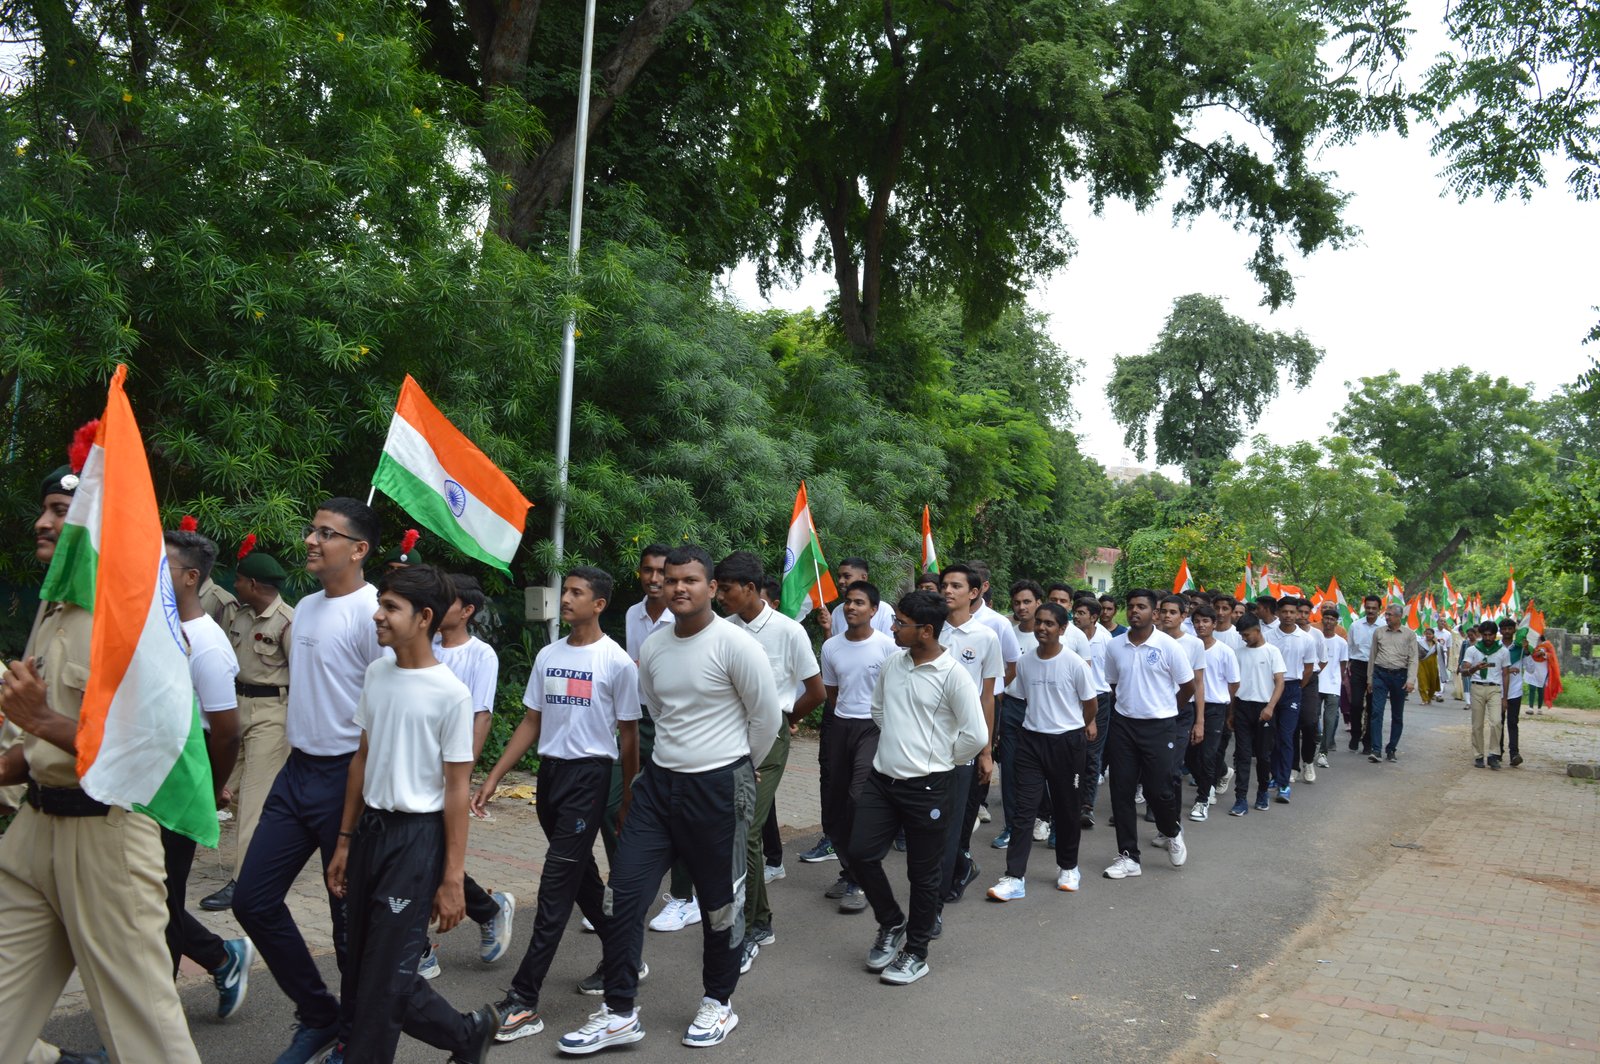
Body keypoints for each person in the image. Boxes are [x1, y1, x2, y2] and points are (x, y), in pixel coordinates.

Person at [0, 462, 203, 1064]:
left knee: (146, 1040)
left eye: (61, 512)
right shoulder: (56, 610)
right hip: (34, 831)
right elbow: (35, 749)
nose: (42, 523)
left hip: (107, 835)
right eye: (46, 509)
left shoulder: (136, 621)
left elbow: (151, 748)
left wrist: (41, 720)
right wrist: (20, 751)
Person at [558, 545, 779, 1054]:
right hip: (658, 787)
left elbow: (765, 718)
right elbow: (657, 708)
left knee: (720, 905)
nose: (678, 587)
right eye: (670, 578)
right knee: (622, 897)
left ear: (712, 588)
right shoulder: (655, 646)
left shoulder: (736, 645)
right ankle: (619, 1012)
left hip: (719, 787)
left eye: (690, 580)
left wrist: (734, 765)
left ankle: (718, 1002)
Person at [323, 565, 499, 1064]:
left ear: (423, 618)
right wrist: (344, 840)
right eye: (380, 604)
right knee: (363, 967)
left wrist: (452, 877)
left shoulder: (451, 693)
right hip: (371, 833)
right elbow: (362, 758)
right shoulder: (377, 673)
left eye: (390, 608)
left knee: (386, 979)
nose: (377, 615)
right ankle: (468, 1035)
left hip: (416, 841)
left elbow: (456, 788)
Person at [233, 497, 386, 1064]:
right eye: (312, 530)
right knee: (252, 900)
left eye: (326, 533)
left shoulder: (374, 615)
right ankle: (319, 1014)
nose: (311, 541)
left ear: (359, 549)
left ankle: (354, 1037)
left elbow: (390, 707)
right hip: (297, 772)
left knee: (348, 927)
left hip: (349, 779)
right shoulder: (308, 610)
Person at [474, 566, 641, 1043]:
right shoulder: (549, 654)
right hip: (551, 778)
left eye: (576, 592)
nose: (565, 598)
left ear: (599, 604)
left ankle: (524, 1000)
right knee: (580, 876)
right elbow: (532, 720)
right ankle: (624, 957)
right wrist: (494, 776)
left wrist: (628, 797)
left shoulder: (617, 662)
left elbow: (629, 736)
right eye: (564, 591)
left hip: (591, 777)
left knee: (554, 888)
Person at [847, 591, 985, 985]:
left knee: (923, 874)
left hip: (929, 787)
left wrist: (941, 759)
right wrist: (898, 743)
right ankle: (892, 921)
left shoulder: (952, 675)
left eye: (900, 623)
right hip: (882, 780)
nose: (892, 628)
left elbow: (975, 735)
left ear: (926, 631)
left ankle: (916, 952)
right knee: (859, 854)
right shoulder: (894, 663)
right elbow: (878, 709)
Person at [715, 551, 824, 970]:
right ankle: (752, 917)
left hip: (770, 735)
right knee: (735, 828)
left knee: (746, 829)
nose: (720, 596)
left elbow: (816, 691)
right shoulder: (722, 629)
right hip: (728, 735)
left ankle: (753, 926)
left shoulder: (789, 631)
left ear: (750, 588)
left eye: (726, 589)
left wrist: (788, 719)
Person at [160, 528, 253, 1018]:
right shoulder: (156, 627)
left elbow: (226, 732)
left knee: (160, 901)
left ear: (191, 577)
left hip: (181, 784)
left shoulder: (208, 645)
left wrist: (210, 791)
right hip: (147, 778)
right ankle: (221, 956)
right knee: (148, 898)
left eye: (163, 565)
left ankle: (156, 1016)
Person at [421, 575, 515, 978]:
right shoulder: (424, 644)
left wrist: (465, 771)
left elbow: (482, 714)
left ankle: (424, 944)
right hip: (418, 760)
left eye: (448, 601)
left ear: (467, 611)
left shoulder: (481, 655)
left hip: (451, 765)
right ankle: (488, 910)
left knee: (427, 850)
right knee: (423, 850)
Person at [203, 540, 294, 913]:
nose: (235, 585)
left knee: (254, 801)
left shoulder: (287, 622)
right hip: (235, 707)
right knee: (216, 786)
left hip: (272, 714)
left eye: (239, 580)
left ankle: (245, 882)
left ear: (254, 584)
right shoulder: (238, 616)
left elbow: (302, 679)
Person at [987, 602, 1098, 900]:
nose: (1041, 628)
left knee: (1067, 809)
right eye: (1039, 622)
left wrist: (1074, 727)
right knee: (1024, 811)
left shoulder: (1074, 663)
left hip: (1067, 743)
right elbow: (1024, 698)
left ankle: (1068, 867)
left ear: (1062, 629)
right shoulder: (1025, 663)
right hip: (1031, 743)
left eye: (1049, 623)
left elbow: (1090, 705)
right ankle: (1014, 877)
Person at [622, 544, 699, 929]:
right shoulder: (632, 614)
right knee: (624, 804)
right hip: (634, 718)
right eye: (647, 571)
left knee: (679, 811)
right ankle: (625, 891)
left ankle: (685, 898)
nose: (654, 579)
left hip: (674, 723)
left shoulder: (683, 617)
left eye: (661, 573)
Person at [1101, 589, 1195, 879]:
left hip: (1160, 726)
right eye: (1131, 606)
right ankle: (1129, 857)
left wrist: (1167, 710)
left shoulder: (1168, 646)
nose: (1134, 611)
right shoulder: (1115, 646)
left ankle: (1172, 831)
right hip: (1124, 726)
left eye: (1141, 606)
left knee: (1159, 790)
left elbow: (1188, 686)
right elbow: (1113, 683)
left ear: (1154, 613)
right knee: (1122, 791)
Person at [818, 581, 897, 914]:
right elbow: (832, 692)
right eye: (848, 602)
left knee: (857, 797)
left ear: (874, 610)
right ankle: (849, 871)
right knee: (835, 803)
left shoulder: (888, 647)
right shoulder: (831, 647)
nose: (851, 607)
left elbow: (895, 693)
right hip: (841, 727)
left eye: (859, 602)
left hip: (873, 727)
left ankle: (861, 878)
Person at [934, 564, 1000, 905]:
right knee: (934, 814)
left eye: (956, 586)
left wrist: (986, 751)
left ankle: (948, 880)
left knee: (959, 816)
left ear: (974, 593)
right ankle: (953, 869)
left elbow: (987, 697)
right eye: (944, 584)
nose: (948, 590)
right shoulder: (931, 629)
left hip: (965, 741)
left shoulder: (986, 636)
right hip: (931, 737)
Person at [994, 579, 1044, 849]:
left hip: (1045, 709)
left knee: (1047, 769)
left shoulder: (1054, 633)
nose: (1022, 607)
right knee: (1010, 769)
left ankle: (1049, 820)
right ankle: (1011, 827)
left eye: (1027, 601)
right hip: (1013, 707)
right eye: (1017, 603)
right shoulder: (1007, 633)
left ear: (1039, 602)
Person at [1226, 615, 1285, 815]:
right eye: (1242, 635)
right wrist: (1231, 712)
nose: (1244, 638)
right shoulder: (1238, 653)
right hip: (1242, 708)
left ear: (1257, 631)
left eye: (1246, 634)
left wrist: (1270, 707)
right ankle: (1240, 799)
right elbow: (1233, 685)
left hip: (1264, 709)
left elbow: (1280, 682)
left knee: (1263, 756)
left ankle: (1262, 792)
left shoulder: (1272, 652)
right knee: (1242, 755)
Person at [1155, 595, 1206, 824]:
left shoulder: (1194, 644)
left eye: (1173, 612)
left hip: (1182, 711)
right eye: (1163, 611)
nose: (1167, 616)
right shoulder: (1151, 639)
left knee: (1173, 768)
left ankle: (1172, 823)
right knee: (1154, 767)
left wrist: (1200, 721)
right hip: (1154, 711)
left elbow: (1198, 683)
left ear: (1183, 616)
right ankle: (1156, 809)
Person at [1187, 605, 1238, 821]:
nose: (1201, 625)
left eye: (1206, 621)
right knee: (1188, 755)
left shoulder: (1225, 651)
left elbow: (1234, 683)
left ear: (1214, 624)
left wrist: (1229, 711)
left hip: (1215, 707)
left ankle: (1203, 799)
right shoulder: (1188, 647)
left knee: (1208, 754)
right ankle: (1208, 783)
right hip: (1190, 706)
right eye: (1197, 621)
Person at [1263, 597, 1316, 802]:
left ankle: (1284, 783)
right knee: (1271, 736)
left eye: (1292, 612)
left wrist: (1297, 687)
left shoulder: (1306, 639)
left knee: (1286, 736)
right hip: (1270, 688)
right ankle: (1275, 775)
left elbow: (1308, 668)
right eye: (1284, 611)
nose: (1288, 615)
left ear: (1297, 614)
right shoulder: (1268, 636)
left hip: (1292, 688)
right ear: (1278, 613)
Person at [1071, 595, 1113, 830]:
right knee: (1072, 752)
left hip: (1098, 699)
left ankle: (1087, 805)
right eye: (1075, 612)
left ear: (1094, 617)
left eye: (1081, 613)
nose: (1076, 617)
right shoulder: (1068, 636)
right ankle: (1070, 800)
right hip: (1072, 699)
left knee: (1092, 753)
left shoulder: (1105, 639)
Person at [1367, 603, 1418, 764]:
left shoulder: (1409, 634)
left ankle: (1391, 749)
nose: (1387, 617)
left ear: (1399, 616)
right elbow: (1372, 656)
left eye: (1390, 615)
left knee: (1397, 715)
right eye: (1386, 614)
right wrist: (1370, 679)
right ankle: (1376, 749)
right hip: (1380, 675)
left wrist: (1411, 680)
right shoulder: (1379, 632)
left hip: (1400, 677)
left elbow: (1413, 659)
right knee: (1376, 712)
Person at [1461, 621, 1504, 768]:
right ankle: (1478, 755)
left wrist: (1505, 697)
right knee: (1477, 724)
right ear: (1481, 635)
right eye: (1485, 635)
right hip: (1477, 687)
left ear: (1495, 635)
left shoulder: (1502, 651)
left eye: (1490, 635)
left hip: (1495, 689)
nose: (1487, 638)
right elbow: (1464, 671)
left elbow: (1505, 673)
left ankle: (1493, 754)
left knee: (1496, 721)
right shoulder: (1472, 650)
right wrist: (1475, 668)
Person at [1345, 595, 1383, 753]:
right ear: (1364, 607)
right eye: (1368, 607)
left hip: (1377, 668)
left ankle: (1368, 740)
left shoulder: (1384, 626)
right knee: (1355, 704)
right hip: (1358, 666)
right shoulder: (1355, 625)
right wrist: (1347, 667)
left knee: (1373, 707)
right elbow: (1349, 647)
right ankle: (1355, 734)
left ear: (1379, 609)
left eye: (1374, 608)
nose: (1371, 611)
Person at [1314, 607, 1350, 771]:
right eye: (1326, 618)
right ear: (1322, 620)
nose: (1328, 621)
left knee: (1329, 720)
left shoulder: (1341, 642)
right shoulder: (1316, 639)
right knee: (1312, 718)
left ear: (1336, 622)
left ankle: (1323, 752)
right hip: (1315, 683)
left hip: (1333, 685)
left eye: (1332, 619)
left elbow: (1343, 664)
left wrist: (1339, 680)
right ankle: (1311, 746)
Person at [821, 557, 896, 636]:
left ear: (863, 577)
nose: (840, 581)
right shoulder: (837, 611)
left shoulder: (884, 611)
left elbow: (890, 643)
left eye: (847, 576)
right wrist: (827, 630)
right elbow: (832, 643)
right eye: (839, 577)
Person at [1497, 618, 1526, 768]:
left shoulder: (1520, 649)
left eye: (1510, 628)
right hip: (1498, 691)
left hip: (1515, 691)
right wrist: (1507, 670)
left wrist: (1527, 651)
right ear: (1500, 631)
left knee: (1513, 723)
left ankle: (1514, 754)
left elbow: (1531, 669)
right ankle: (1498, 752)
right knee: (1498, 722)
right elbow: (1491, 668)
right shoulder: (1495, 647)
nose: (1507, 631)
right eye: (1504, 629)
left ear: (1514, 630)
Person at [1416, 628, 1441, 705]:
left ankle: (1429, 698)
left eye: (1430, 634)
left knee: (1432, 683)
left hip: (1432, 665)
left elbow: (1440, 653)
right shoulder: (1420, 643)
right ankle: (1424, 699)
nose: (1428, 635)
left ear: (1433, 635)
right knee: (1422, 682)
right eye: (1427, 634)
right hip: (1422, 664)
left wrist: (1436, 643)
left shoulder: (1436, 644)